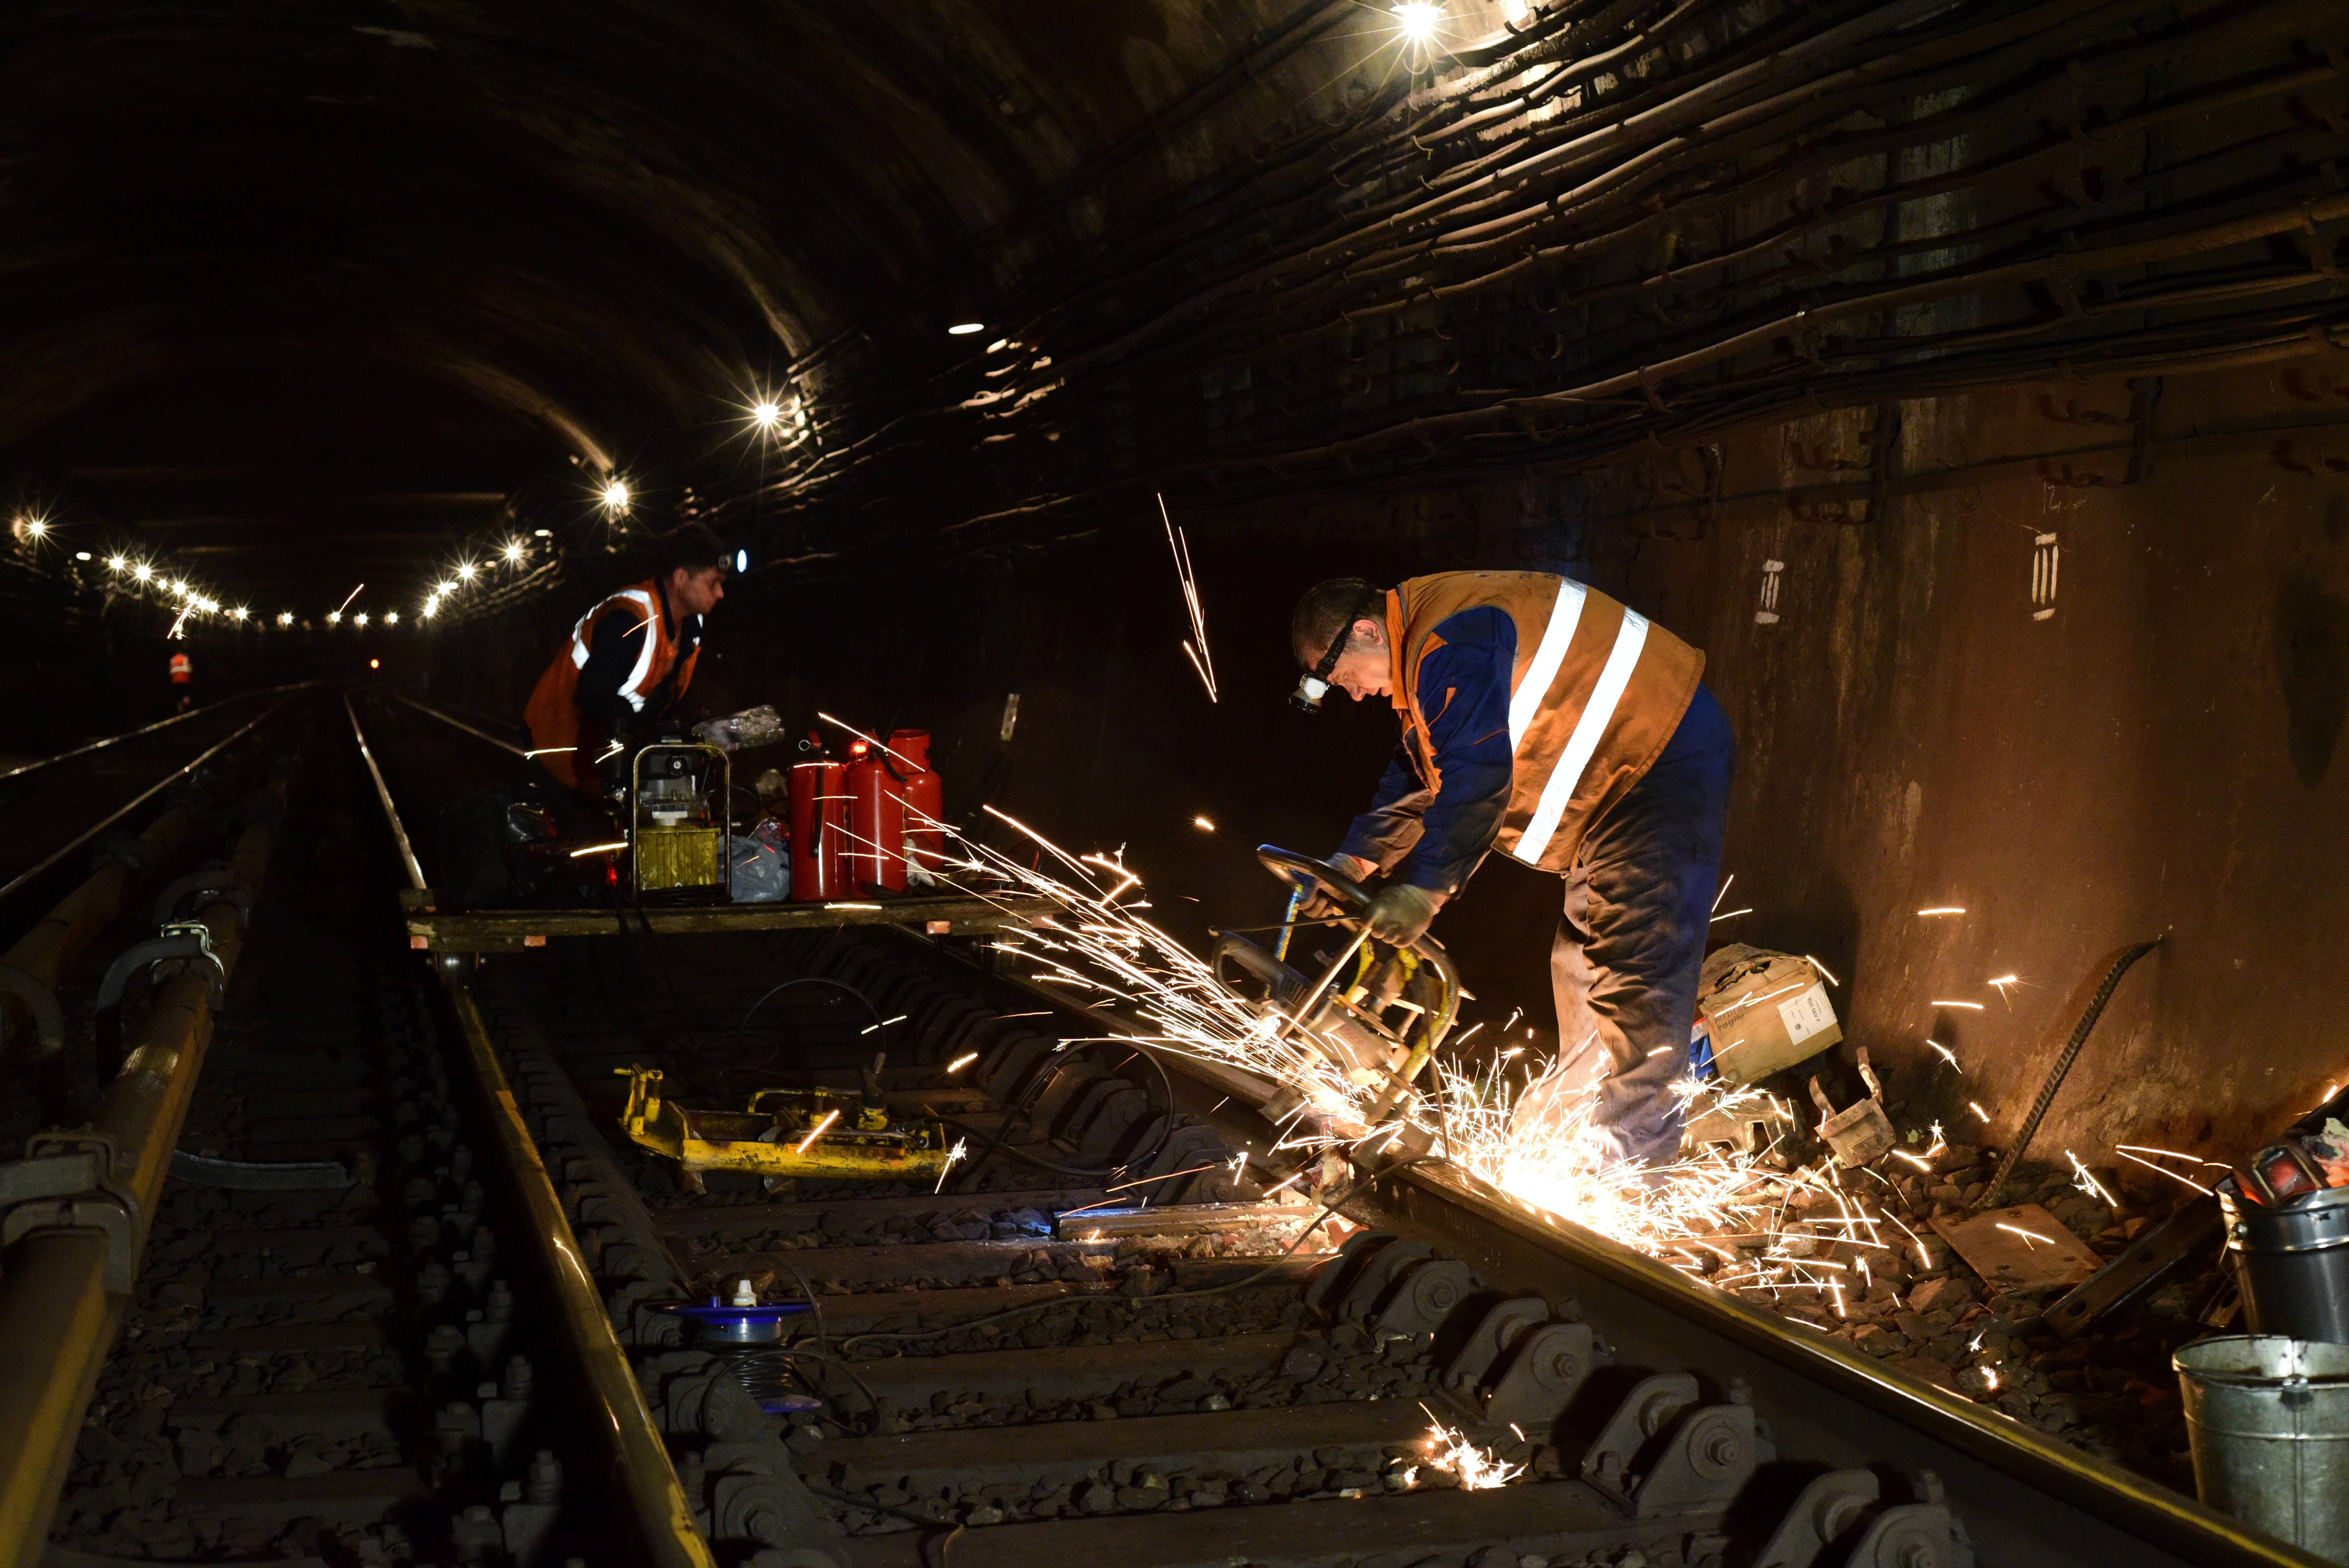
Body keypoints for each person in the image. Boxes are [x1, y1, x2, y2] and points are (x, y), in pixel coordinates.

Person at [1290, 572, 1734, 1168]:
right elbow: (1425, 774)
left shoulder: (1452, 640)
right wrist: (1351, 863)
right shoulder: (1431, 643)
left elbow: (1476, 776)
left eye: (1341, 677)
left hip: (1653, 769)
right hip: (1611, 791)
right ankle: (1575, 1153)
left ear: (1366, 630)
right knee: (1581, 972)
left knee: (1637, 988)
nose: (1354, 693)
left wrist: (1425, 892)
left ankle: (1630, 1186)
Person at [523, 523, 728, 836]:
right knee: (579, 856)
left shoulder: (692, 627)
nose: (720, 593)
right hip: (560, 747)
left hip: (602, 761)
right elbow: (594, 695)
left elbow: (662, 699)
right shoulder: (629, 616)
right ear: (681, 577)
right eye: (713, 583)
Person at [168, 648, 194, 713]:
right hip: (186, 681)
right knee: (186, 694)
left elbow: (170, 672)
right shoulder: (186, 659)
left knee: (178, 697)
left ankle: (181, 711)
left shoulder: (172, 660)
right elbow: (191, 670)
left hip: (176, 682)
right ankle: (186, 702)